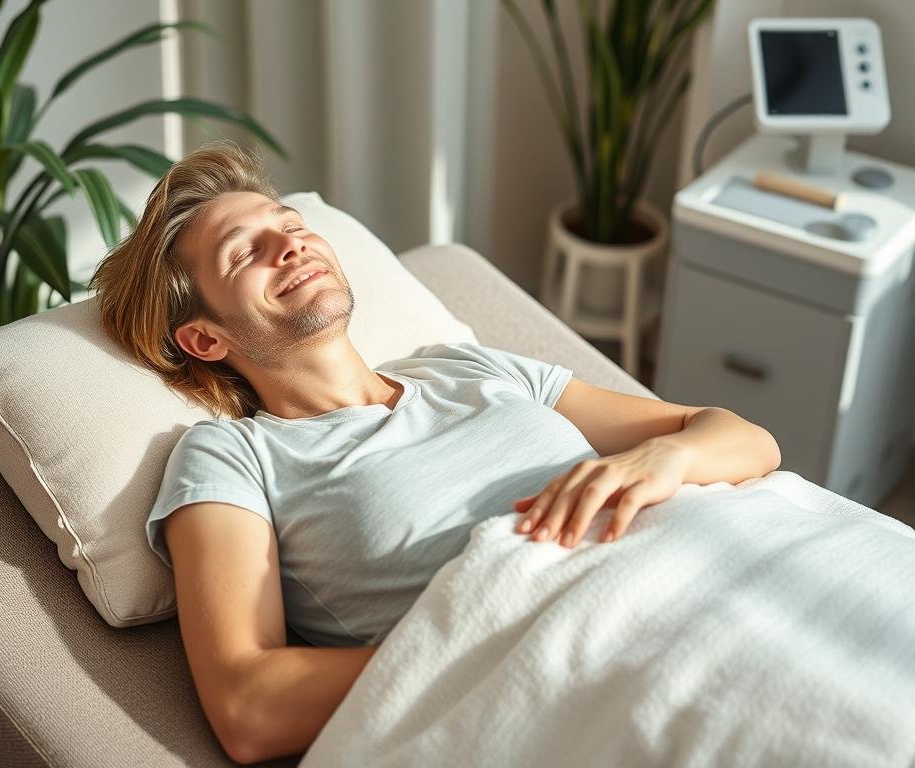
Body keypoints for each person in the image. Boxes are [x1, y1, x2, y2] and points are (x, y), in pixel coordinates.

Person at [87, 141, 781, 764]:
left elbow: (746, 440)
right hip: (605, 674)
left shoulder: (467, 368)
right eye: (247, 251)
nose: (291, 246)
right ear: (206, 339)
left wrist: (662, 460)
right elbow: (248, 707)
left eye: (292, 228)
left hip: (733, 583)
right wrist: (509, 645)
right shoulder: (232, 457)